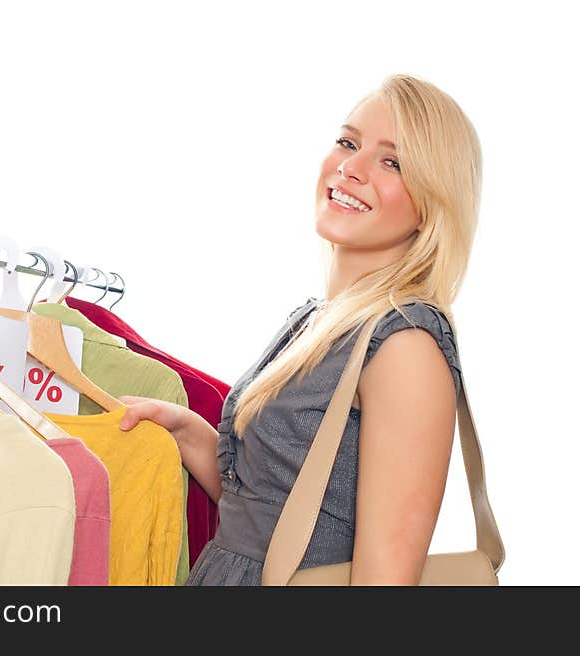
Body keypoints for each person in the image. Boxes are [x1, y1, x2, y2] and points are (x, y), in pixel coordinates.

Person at [119, 73, 479, 585]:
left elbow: (385, 583)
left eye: (392, 161)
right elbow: (277, 522)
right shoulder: (317, 322)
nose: (351, 168)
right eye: (348, 143)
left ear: (432, 202)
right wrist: (188, 432)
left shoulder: (405, 347)